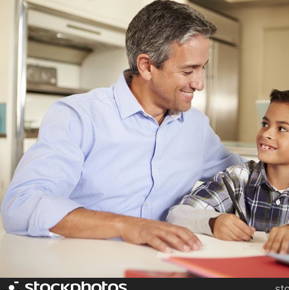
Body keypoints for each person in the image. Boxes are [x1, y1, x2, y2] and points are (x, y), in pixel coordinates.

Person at [1, 0, 242, 253]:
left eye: (202, 68)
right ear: (146, 66)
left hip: (164, 266)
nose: (199, 84)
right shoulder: (79, 116)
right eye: (188, 71)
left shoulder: (196, 126)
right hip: (85, 270)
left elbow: (244, 180)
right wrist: (127, 226)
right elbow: (21, 205)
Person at [167, 89, 289, 254]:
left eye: (282, 129)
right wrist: (212, 222)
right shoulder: (238, 178)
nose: (266, 133)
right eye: (265, 124)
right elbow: (177, 215)